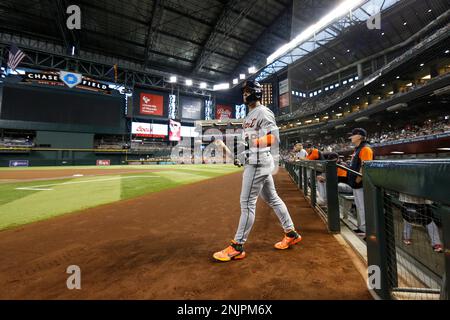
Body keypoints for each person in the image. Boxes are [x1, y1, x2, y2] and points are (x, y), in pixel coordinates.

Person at [213, 80, 302, 262]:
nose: (245, 94)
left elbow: (274, 138)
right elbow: (250, 143)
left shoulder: (263, 111)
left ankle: (237, 246)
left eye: (248, 91)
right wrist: (239, 154)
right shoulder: (249, 116)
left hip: (258, 162)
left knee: (246, 203)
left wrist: (252, 144)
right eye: (243, 92)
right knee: (272, 198)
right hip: (255, 160)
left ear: (257, 93)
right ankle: (291, 233)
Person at [347, 128, 374, 237]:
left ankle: (368, 230)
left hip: (362, 184)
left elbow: (365, 167)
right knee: (360, 206)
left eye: (353, 135)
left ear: (359, 136)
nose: (351, 137)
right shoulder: (358, 149)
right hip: (357, 184)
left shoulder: (365, 149)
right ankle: (362, 228)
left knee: (364, 207)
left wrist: (357, 180)